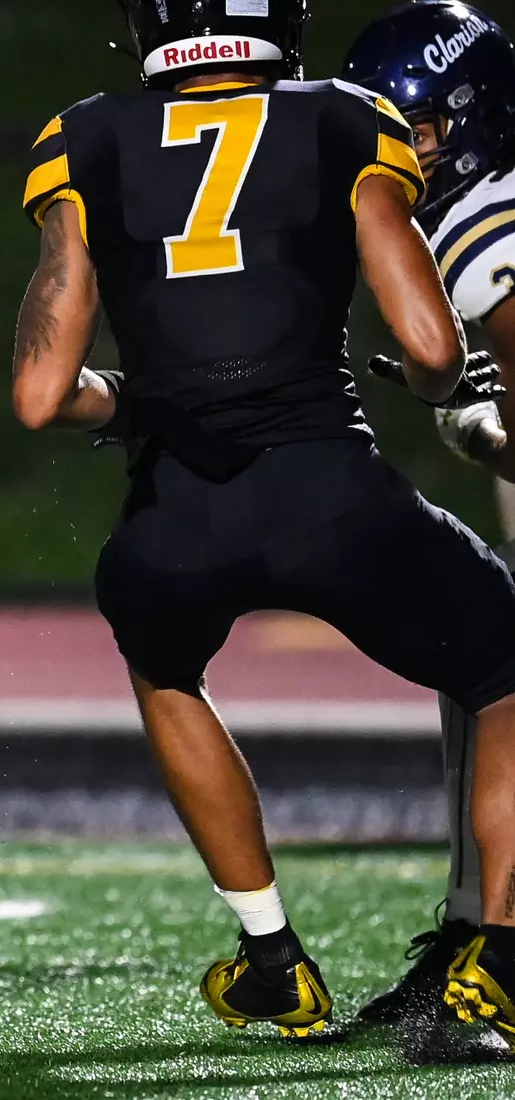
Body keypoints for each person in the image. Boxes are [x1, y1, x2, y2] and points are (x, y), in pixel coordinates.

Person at [15, 0, 515, 1038]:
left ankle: (269, 955)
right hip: (326, 491)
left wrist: (141, 401)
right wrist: (446, 397)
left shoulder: (82, 135)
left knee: (164, 666)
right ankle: (500, 955)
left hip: (169, 516)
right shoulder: (341, 117)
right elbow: (426, 346)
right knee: (503, 658)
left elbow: (41, 395)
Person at [344, 0, 515, 1031]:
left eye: (414, 135)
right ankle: (470, 931)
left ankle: (497, 955)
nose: (400, 160)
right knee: (482, 651)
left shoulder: (488, 220)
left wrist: (476, 428)